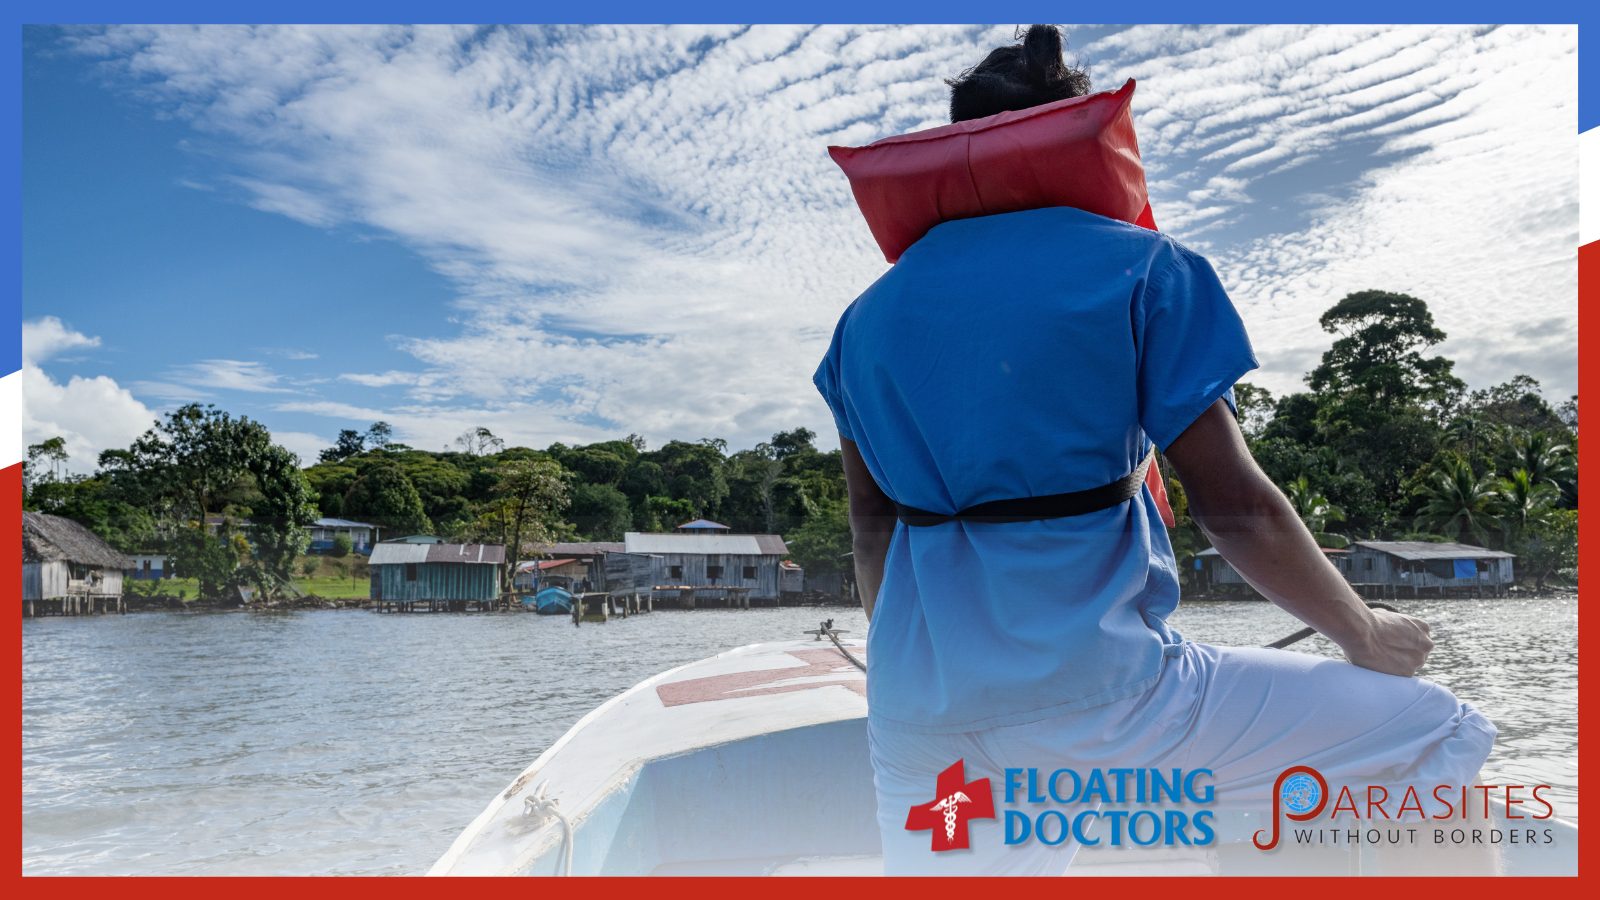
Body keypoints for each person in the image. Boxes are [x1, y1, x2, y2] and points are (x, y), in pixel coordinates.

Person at [813, 25, 1496, 875]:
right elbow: (1233, 503)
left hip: (918, 722)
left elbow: (870, 527)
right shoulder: (1141, 270)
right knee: (1438, 727)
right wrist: (1363, 631)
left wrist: (923, 675)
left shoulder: (861, 323)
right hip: (1108, 710)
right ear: (1073, 139)